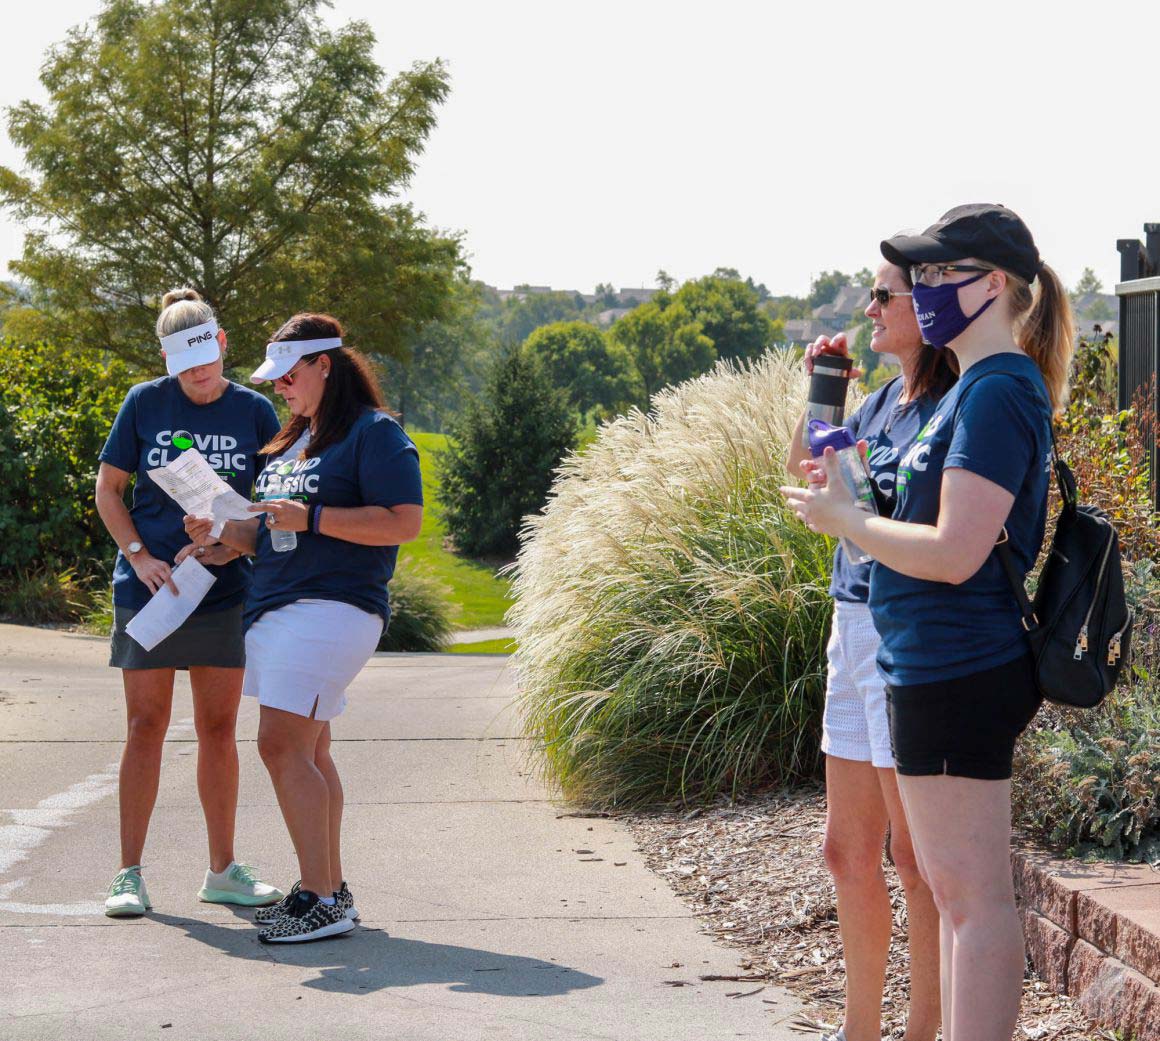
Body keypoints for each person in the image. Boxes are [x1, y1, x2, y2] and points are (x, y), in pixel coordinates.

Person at [782, 204, 1071, 1041]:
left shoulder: (998, 389)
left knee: (972, 900)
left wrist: (849, 522)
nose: (928, 287)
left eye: (944, 273)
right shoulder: (978, 388)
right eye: (926, 274)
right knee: (954, 894)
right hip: (928, 665)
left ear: (994, 284)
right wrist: (846, 498)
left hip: (959, 665)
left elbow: (954, 551)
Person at [185, 313, 423, 944]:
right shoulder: (293, 439)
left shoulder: (375, 433)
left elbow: (403, 522)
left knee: (279, 745)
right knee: (311, 751)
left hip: (333, 607)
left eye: (289, 376)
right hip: (278, 607)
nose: (279, 387)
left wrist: (313, 517)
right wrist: (221, 535)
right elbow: (270, 534)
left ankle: (320, 897)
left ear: (325, 365)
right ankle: (328, 889)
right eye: (274, 379)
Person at [786, 261, 952, 1041]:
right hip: (847, 622)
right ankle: (860, 1031)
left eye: (885, 295)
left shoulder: (950, 406)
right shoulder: (883, 401)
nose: (870, 306)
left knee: (914, 857)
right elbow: (807, 471)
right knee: (845, 849)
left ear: (927, 307)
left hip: (901, 630)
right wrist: (824, 392)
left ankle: (923, 1031)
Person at [95, 288, 285, 917]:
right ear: (166, 359)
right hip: (149, 591)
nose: (198, 374)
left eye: (206, 359)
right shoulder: (144, 402)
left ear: (223, 344)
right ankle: (128, 874)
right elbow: (109, 490)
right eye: (184, 364)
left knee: (219, 729)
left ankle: (222, 870)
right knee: (144, 726)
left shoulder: (256, 411)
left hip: (222, 590)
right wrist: (138, 556)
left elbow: (270, 507)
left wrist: (229, 548)